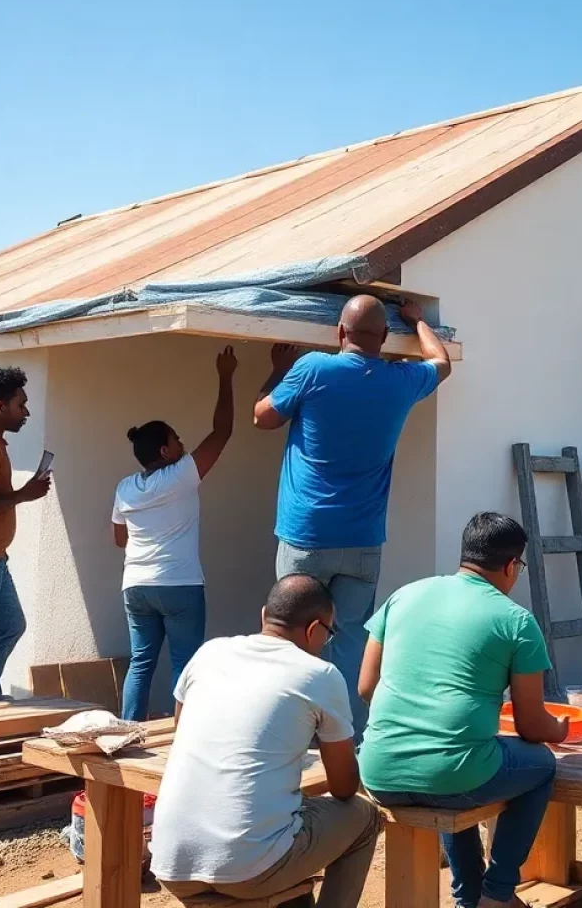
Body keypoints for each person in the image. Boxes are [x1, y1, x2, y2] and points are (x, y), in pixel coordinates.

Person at [254, 295, 451, 739]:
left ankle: (290, 737)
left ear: (339, 333)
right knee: (348, 645)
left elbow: (261, 417)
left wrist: (276, 371)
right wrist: (417, 322)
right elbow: (441, 362)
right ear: (382, 338)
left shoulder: (311, 369)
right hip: (361, 541)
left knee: (289, 641)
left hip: (306, 536)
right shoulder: (402, 379)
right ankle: (346, 742)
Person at [358, 512, 566, 908]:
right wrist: (560, 730)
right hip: (453, 772)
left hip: (378, 771)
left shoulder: (404, 595)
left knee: (462, 762)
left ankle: (468, 896)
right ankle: (499, 893)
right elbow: (531, 724)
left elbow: (366, 686)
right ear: (511, 566)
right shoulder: (516, 620)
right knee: (539, 767)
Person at [151, 574, 380, 908]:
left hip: (171, 861)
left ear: (264, 616)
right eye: (328, 635)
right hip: (246, 868)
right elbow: (344, 786)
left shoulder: (208, 653)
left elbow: (182, 729)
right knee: (363, 817)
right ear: (315, 629)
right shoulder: (319, 673)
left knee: (281, 820)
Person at [112, 347, 237, 721]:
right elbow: (223, 431)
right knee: (185, 665)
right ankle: (182, 742)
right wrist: (226, 376)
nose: (184, 444)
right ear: (165, 451)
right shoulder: (181, 474)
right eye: (178, 440)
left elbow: (120, 540)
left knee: (141, 663)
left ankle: (127, 735)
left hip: (135, 585)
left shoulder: (124, 487)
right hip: (179, 584)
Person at [0, 367, 51, 699]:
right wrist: (23, 495)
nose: (26, 412)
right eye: (20, 405)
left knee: (12, 627)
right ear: (0, 407)